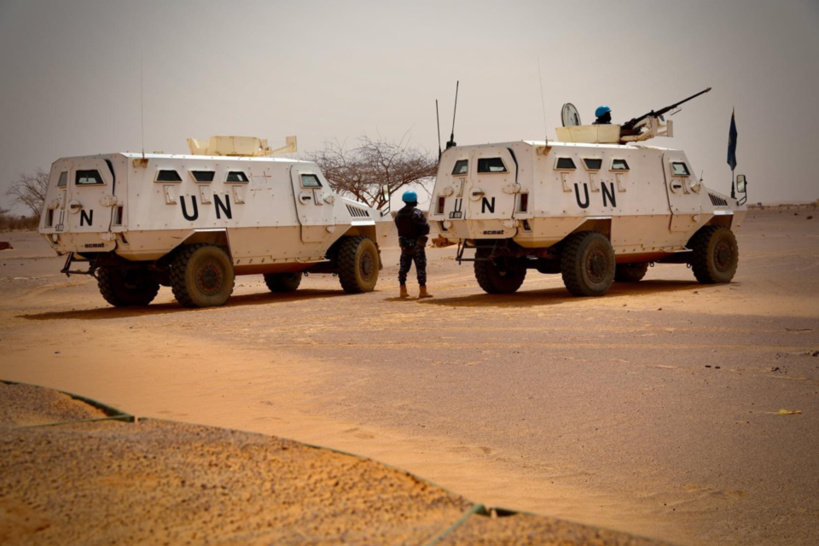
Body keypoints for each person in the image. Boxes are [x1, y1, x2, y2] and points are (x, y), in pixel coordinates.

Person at [394, 190, 432, 299]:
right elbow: (426, 228)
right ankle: (422, 291)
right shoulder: (417, 213)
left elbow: (399, 228)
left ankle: (402, 291)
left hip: (405, 245)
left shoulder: (399, 214)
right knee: (420, 268)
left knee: (403, 268)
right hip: (417, 244)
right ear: (414, 200)